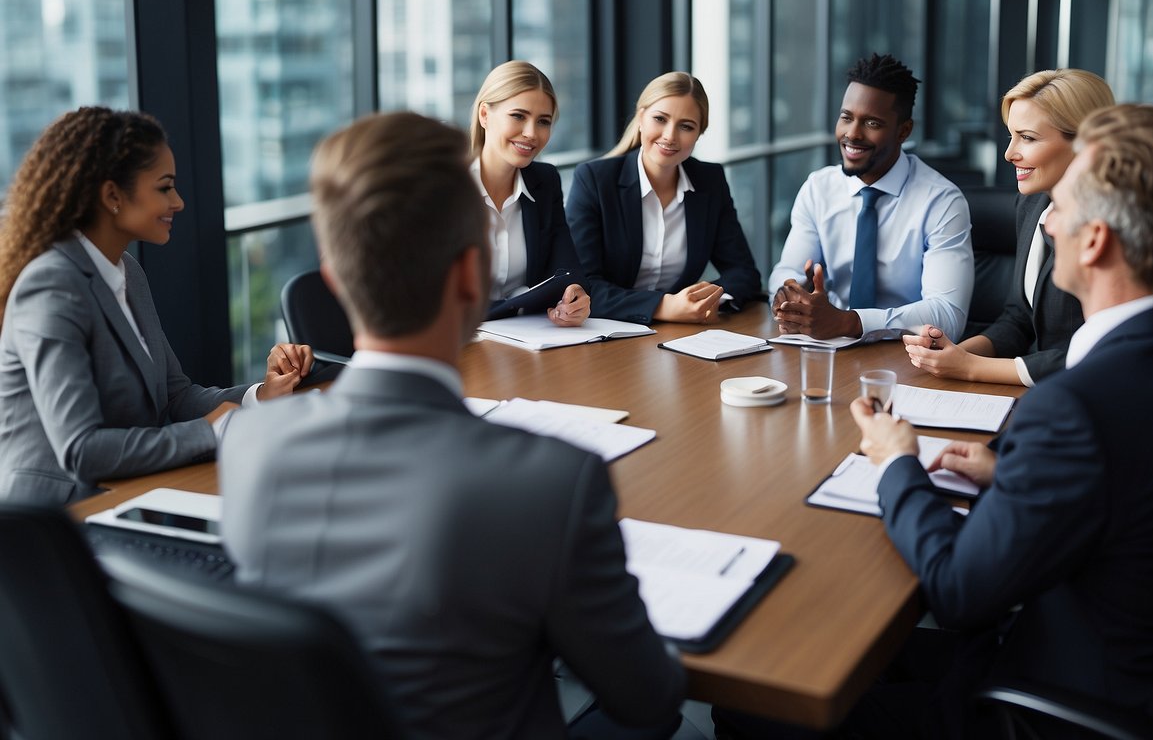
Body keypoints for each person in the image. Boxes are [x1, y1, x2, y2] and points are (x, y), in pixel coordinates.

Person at [219, 111, 686, 738]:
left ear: (333, 282)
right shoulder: (554, 482)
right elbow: (647, 699)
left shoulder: (249, 444)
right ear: (470, 276)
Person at [850, 104, 1153, 736]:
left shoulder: (1074, 406)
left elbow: (956, 591)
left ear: (1096, 239)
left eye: (1062, 206)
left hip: (1047, 698)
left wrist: (896, 462)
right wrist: (1012, 476)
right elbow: (1137, 489)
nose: (1045, 222)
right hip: (1134, 663)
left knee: (771, 703)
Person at [0, 107, 311, 506]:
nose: (178, 202)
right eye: (164, 188)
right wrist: (212, 431)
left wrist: (260, 395)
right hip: (57, 520)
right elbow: (81, 450)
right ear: (112, 195)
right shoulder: (50, 286)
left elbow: (175, 398)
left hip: (127, 497)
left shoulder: (126, 271)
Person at [903, 69, 1114, 385]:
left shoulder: (1110, 228)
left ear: (1085, 143)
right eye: (1011, 136)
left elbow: (1102, 352)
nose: (1009, 153)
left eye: (1027, 138)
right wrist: (954, 354)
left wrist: (971, 368)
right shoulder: (1033, 204)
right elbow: (1019, 318)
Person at [768, 54, 973, 341]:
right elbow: (787, 270)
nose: (852, 134)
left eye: (872, 123)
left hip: (904, 358)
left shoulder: (941, 202)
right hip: (829, 349)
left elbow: (948, 315)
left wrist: (849, 322)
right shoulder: (818, 188)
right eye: (846, 117)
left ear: (903, 131)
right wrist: (789, 297)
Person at [566, 71, 763, 324]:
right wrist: (663, 306)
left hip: (679, 333)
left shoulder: (709, 181)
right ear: (640, 118)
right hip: (607, 330)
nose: (670, 136)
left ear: (700, 133)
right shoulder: (594, 180)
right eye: (660, 119)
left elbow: (743, 272)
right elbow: (583, 285)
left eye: (686, 126)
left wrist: (705, 301)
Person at [470, 60, 590, 326]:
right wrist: (521, 304)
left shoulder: (545, 181)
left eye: (543, 121)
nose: (531, 133)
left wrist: (574, 299)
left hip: (525, 342)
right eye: (518, 116)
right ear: (485, 115)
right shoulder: (444, 188)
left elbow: (568, 273)